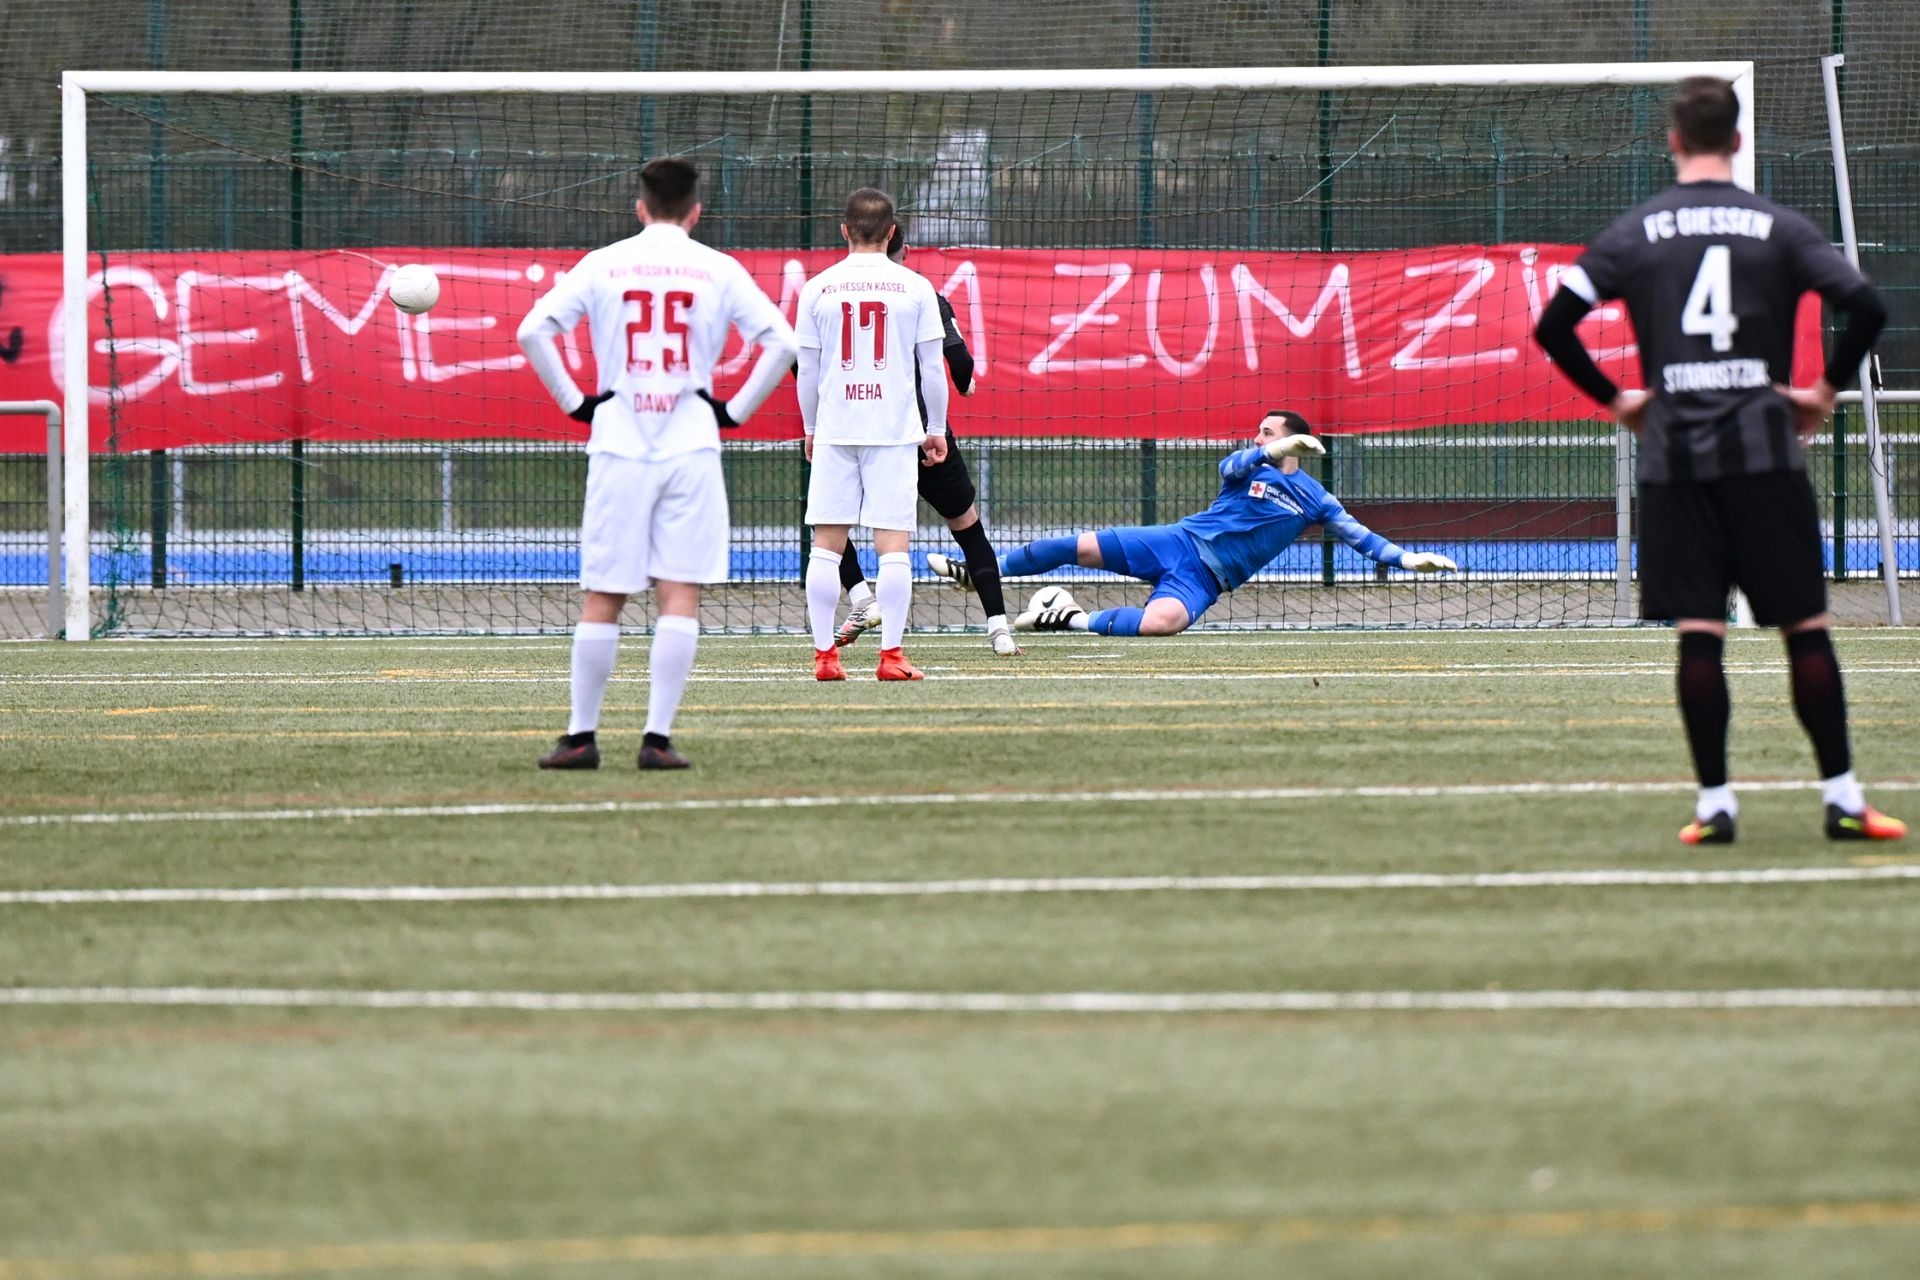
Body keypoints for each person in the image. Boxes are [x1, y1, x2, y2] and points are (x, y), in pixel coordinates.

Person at [1532, 75, 1902, 844]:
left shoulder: (1635, 230)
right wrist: (1824, 391)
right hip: (1766, 455)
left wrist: (1620, 400)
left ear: (1673, 141)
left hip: (1676, 461)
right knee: (1805, 629)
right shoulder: (1779, 227)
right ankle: (1842, 797)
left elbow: (1555, 324)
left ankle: (1715, 808)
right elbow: (1867, 305)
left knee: (1701, 632)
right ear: (1737, 141)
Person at [517, 157, 797, 770]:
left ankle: (580, 737)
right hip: (690, 441)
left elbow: (533, 329)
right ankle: (657, 739)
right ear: (695, 211)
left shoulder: (604, 262)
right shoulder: (718, 269)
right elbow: (782, 342)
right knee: (679, 592)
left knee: (604, 594)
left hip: (618, 441)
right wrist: (735, 410)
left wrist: (576, 402)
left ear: (640, 207)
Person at [930, 409, 1457, 635]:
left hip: (1204, 580)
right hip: (1176, 542)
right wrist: (1273, 450)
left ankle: (1063, 615)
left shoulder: (1316, 498)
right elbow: (1230, 466)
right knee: (1077, 545)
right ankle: (982, 570)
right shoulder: (1245, 466)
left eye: (1268, 431)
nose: (1258, 436)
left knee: (1163, 624)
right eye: (1259, 431)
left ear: (1295, 439)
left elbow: (1360, 537)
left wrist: (1407, 558)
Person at [832, 223, 1019, 656]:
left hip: (862, 435)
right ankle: (999, 629)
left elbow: (801, 363)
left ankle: (862, 600)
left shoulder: (830, 292)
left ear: (848, 235)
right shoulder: (923, 294)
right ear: (905, 248)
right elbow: (957, 361)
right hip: (922, 436)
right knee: (968, 527)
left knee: (830, 521)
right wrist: (966, 383)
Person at [794, 187, 951, 681]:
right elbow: (932, 368)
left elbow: (807, 371)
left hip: (838, 428)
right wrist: (936, 429)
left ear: (844, 231)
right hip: (893, 430)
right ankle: (891, 657)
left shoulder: (817, 288)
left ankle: (825, 658)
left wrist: (811, 428)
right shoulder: (915, 287)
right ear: (891, 233)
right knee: (893, 547)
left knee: (825, 546)